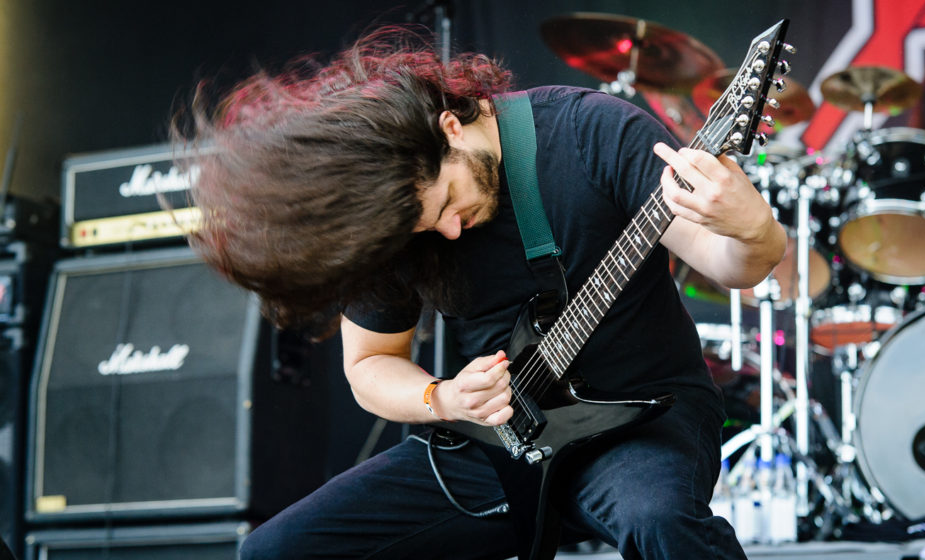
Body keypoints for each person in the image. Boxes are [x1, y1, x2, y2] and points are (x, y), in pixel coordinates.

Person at [176, 27, 785, 560]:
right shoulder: (388, 218)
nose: (448, 230)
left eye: (445, 201)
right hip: (500, 439)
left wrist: (755, 229)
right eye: (426, 227)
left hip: (644, 419)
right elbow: (368, 366)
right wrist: (443, 398)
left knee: (659, 521)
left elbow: (727, 264)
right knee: (274, 550)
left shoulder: (589, 131)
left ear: (450, 127)